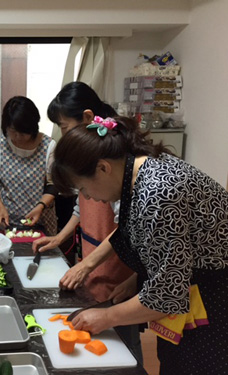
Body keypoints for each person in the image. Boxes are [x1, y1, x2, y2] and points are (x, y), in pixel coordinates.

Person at [52, 115, 228, 374]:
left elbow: (167, 297)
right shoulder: (141, 171)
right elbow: (170, 246)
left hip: (214, 302)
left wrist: (105, 317)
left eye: (83, 187)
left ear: (103, 168)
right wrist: (138, 279)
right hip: (190, 291)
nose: (88, 196)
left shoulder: (158, 193)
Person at [32, 82, 141, 361]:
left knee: (120, 343)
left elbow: (125, 229)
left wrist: (133, 276)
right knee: (100, 331)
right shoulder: (95, 160)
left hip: (117, 266)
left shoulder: (119, 164)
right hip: (95, 260)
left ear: (89, 118)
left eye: (65, 126)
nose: (92, 196)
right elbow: (83, 207)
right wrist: (61, 239)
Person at [0, 96, 57, 235]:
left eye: (23, 132)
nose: (17, 137)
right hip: (6, 221)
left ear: (33, 127)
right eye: (12, 131)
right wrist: (0, 207)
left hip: (41, 222)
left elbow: (53, 185)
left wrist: (40, 206)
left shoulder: (49, 146)